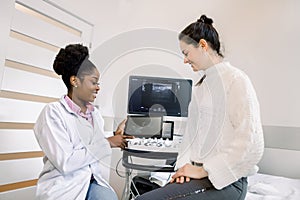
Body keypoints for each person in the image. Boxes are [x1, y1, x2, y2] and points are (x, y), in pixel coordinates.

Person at [136, 14, 264, 200]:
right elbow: (190, 137)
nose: (185, 61)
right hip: (198, 175)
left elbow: (253, 146)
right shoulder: (200, 88)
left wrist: (204, 170)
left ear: (203, 45)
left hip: (226, 181)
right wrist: (183, 170)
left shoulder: (236, 80)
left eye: (186, 53)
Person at [34, 44, 132, 200]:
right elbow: (66, 162)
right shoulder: (53, 113)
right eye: (94, 82)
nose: (98, 88)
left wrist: (115, 134)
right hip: (64, 187)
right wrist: (107, 143)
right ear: (75, 81)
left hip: (91, 181)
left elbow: (90, 139)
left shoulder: (94, 114)